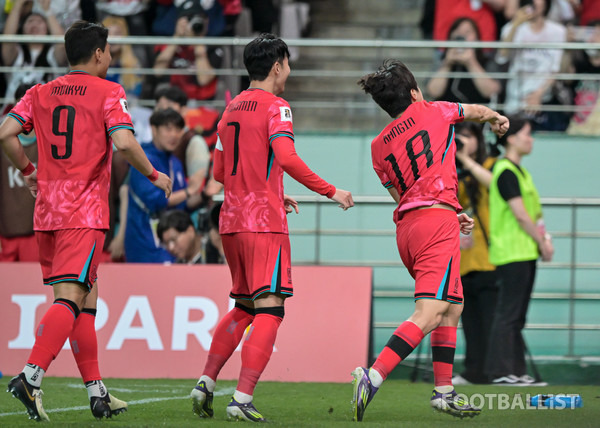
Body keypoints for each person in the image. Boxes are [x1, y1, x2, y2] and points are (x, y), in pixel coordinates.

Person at [0, 20, 172, 421]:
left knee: (85, 302)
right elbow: (125, 141)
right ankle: (30, 376)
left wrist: (28, 171)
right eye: (109, 51)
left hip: (47, 213)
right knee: (70, 299)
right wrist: (153, 174)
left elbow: (6, 132)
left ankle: (97, 393)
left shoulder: (40, 92)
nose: (110, 58)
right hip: (83, 212)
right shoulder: (109, 91)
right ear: (98, 53)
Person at [189, 33, 354, 422]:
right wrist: (331, 191)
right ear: (277, 65)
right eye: (288, 64)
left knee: (244, 306)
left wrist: (269, 191)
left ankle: (206, 382)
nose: (289, 72)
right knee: (270, 310)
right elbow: (287, 158)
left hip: (230, 221)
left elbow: (217, 172)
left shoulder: (228, 111)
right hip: (263, 224)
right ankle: (242, 399)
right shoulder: (277, 107)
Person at [351, 59, 509, 422]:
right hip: (435, 224)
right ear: (413, 93)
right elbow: (477, 110)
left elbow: (403, 195)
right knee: (431, 311)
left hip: (410, 227)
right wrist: (497, 118)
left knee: (453, 305)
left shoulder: (378, 147)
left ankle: (444, 392)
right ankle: (372, 376)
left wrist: (450, 212)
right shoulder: (434, 110)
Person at [484, 115, 553, 385]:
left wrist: (541, 240)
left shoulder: (520, 171)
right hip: (512, 252)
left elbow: (534, 215)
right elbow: (521, 215)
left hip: (524, 252)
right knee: (508, 314)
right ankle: (502, 371)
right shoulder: (505, 171)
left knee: (517, 315)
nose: (530, 139)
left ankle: (515, 371)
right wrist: (542, 242)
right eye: (526, 133)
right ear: (510, 138)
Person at [124, 108, 203, 263]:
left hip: (171, 249)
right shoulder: (143, 160)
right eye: (168, 129)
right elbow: (157, 201)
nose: (174, 134)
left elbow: (182, 206)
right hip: (145, 248)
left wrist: (205, 193)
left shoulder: (175, 162)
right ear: (154, 129)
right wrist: (190, 191)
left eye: (178, 129)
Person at [452, 122, 498, 385]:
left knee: (492, 321)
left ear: (479, 140)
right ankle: (474, 372)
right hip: (463, 262)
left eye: (468, 137)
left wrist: (464, 160)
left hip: (491, 259)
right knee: (469, 324)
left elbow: (493, 184)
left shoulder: (492, 164)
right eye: (458, 138)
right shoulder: (451, 173)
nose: (462, 142)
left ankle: (496, 371)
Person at [496, 0, 568, 129]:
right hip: (514, 99)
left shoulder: (558, 31)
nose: (533, 3)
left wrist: (538, 95)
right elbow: (502, 56)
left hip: (544, 99)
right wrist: (515, 25)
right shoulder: (510, 28)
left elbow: (555, 69)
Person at [2, 0, 67, 112]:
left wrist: (47, 11)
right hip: (14, 113)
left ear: (48, 29)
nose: (34, 24)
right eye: (30, 21)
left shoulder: (53, 55)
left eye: (40, 22)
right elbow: (8, 38)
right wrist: (17, 5)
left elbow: (62, 43)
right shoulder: (17, 54)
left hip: (46, 114)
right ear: (22, 29)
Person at [0, 83, 39, 262]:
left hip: (36, 237)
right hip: (4, 235)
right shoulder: (2, 146)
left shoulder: (50, 145)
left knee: (34, 287)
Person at [426, 17, 502, 104]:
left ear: (477, 38)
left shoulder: (487, 61)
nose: (462, 36)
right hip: (448, 114)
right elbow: (433, 92)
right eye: (458, 32)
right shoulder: (442, 61)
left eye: (467, 32)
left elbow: (491, 92)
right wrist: (447, 64)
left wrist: (471, 63)